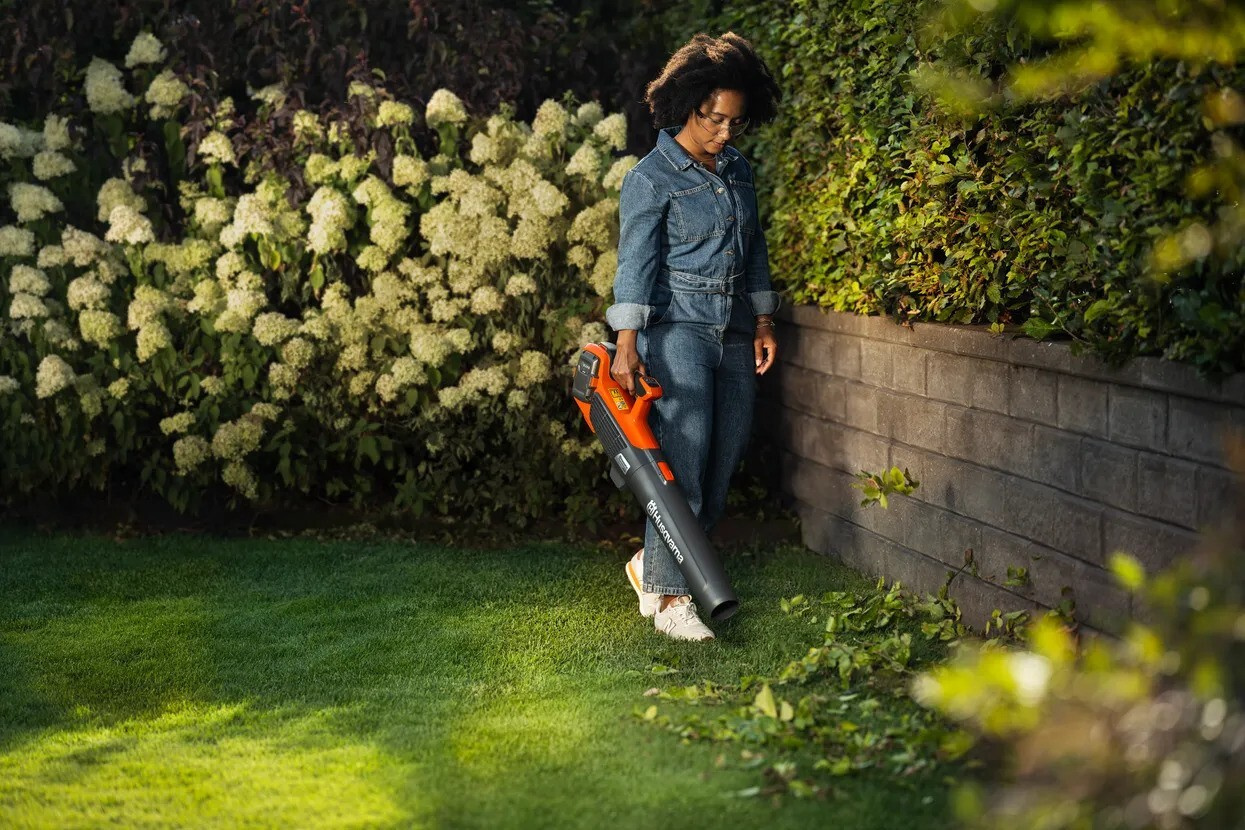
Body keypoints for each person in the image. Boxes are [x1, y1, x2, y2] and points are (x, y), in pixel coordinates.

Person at [606, 32, 782, 641]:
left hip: (732, 330)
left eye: (735, 121)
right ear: (686, 106)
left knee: (723, 457)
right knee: (682, 457)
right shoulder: (651, 178)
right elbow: (634, 265)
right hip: (676, 330)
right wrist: (627, 343)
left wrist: (762, 320)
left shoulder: (737, 172)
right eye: (713, 119)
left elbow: (753, 247)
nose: (725, 134)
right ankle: (668, 595)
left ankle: (649, 563)